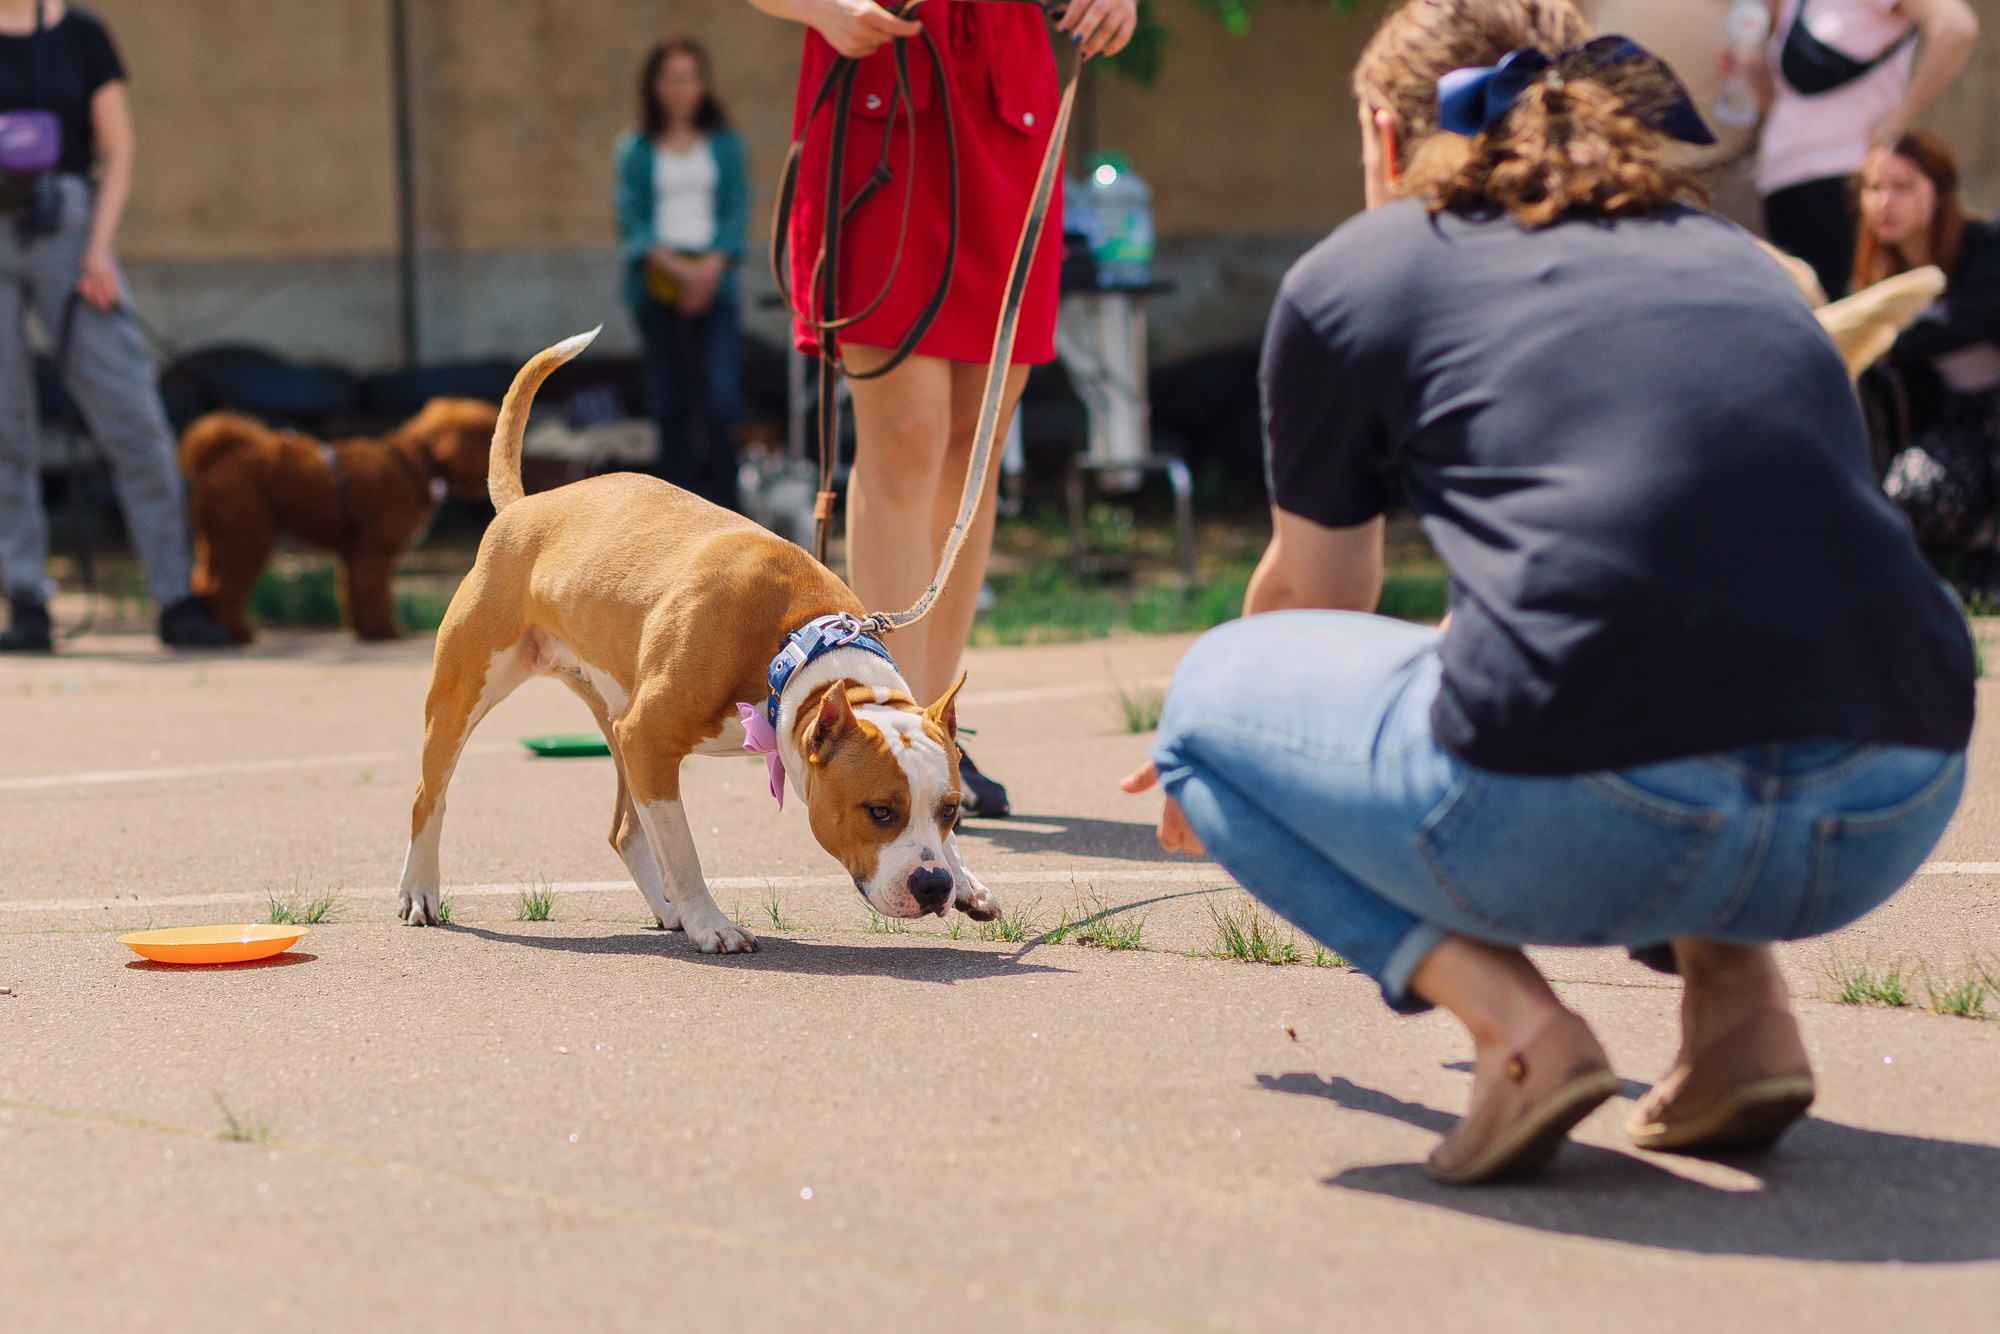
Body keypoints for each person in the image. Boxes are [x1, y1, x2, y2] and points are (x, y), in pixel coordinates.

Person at [1124, 0, 1974, 1185]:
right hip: (1891, 787)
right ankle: (1739, 1016)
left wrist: (1219, 749)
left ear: (1384, 136)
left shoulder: (1361, 269)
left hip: (1607, 814)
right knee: (1680, 634)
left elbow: (1320, 594)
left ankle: (1519, 1031)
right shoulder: (1733, 254)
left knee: (1210, 695)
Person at [744, 0, 1137, 817]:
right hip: (885, 93)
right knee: (907, 435)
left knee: (977, 441)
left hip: (1006, 102)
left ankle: (933, 728)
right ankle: (886, 726)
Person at [0, 0, 230, 650]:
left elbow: (118, 146)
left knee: (132, 414)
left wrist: (98, 248)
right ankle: (26, 599)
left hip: (68, 226)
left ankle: (177, 595)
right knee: (4, 428)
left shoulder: (81, 33)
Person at [1740, 0, 1976, 301]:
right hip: (1781, 185)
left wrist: (1899, 120)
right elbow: (1787, 103)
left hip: (1842, 181)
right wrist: (1750, 76)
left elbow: (1958, 28)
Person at [614, 38, 748, 512]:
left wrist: (708, 270)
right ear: (654, 86)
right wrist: (677, 271)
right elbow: (632, 220)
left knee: (720, 399)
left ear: (702, 85)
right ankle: (674, 509)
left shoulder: (725, 145)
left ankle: (728, 505)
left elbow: (735, 213)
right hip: (658, 283)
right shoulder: (635, 148)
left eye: (689, 78)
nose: (680, 88)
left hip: (715, 282)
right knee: (668, 400)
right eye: (671, 78)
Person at [1863, 132, 2000, 591]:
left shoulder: (1987, 249)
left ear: (1939, 193)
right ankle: (1962, 555)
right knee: (1911, 493)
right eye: (1874, 188)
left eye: (1902, 187)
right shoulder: (1877, 284)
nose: (1885, 202)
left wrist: (1889, 335)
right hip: (1957, 428)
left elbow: (1974, 317)